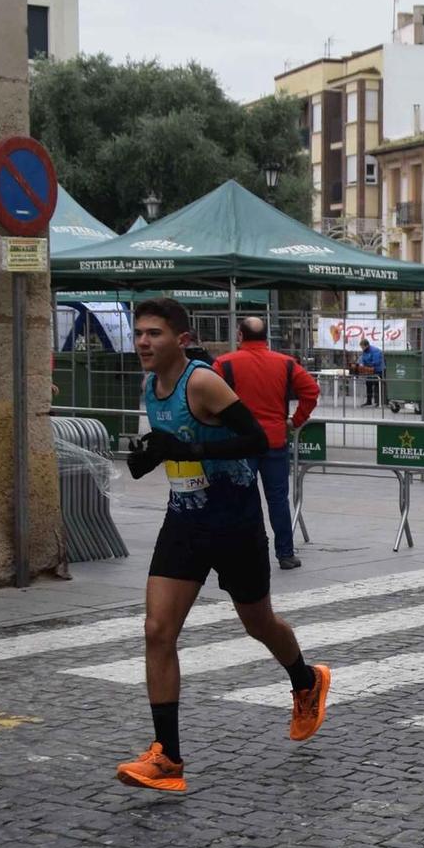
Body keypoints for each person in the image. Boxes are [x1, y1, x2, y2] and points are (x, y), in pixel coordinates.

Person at [117, 298, 330, 794]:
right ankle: (167, 758)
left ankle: (305, 680)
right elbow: (177, 441)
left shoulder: (202, 381)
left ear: (182, 339)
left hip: (234, 521)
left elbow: (257, 441)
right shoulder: (151, 385)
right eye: (139, 333)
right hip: (185, 520)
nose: (144, 342)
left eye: (155, 334)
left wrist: (188, 449)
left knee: (258, 623)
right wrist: (153, 455)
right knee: (157, 630)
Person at [215, 317, 319, 572]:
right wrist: (295, 421)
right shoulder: (285, 364)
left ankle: (242, 553)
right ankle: (285, 554)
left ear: (240, 335)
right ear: (266, 338)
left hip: (240, 443)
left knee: (239, 499)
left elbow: (205, 396)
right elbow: (311, 391)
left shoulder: (224, 364)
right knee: (278, 500)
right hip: (274, 440)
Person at [357, 339, 385, 407]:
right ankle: (369, 401)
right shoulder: (365, 351)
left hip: (378, 370)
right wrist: (361, 364)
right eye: (361, 347)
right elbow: (362, 359)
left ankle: (379, 402)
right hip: (370, 370)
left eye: (362, 347)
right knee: (368, 384)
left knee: (377, 385)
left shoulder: (375, 351)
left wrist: (366, 365)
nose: (362, 349)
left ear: (366, 345)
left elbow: (376, 362)